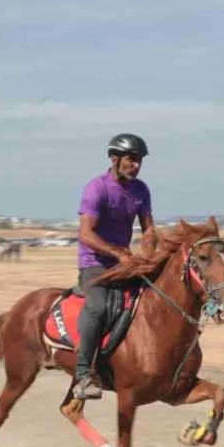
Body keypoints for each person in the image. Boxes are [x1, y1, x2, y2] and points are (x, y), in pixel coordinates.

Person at [74, 133, 155, 400]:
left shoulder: (141, 190)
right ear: (114, 159)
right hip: (95, 265)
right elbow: (86, 234)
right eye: (131, 159)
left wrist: (151, 253)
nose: (136, 165)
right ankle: (84, 375)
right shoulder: (97, 188)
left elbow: (149, 229)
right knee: (98, 307)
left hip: (126, 264)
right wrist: (117, 253)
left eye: (140, 160)